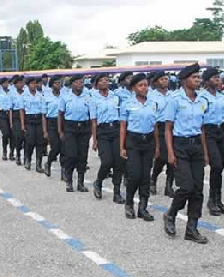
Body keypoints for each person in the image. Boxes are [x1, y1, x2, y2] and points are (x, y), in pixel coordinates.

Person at [162, 63, 210, 243]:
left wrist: (205, 152)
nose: (198, 80)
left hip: (196, 145)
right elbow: (168, 128)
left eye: (199, 77)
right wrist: (171, 153)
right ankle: (171, 214)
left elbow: (202, 128)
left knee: (198, 190)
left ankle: (192, 229)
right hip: (180, 146)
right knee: (186, 187)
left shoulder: (202, 100)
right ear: (184, 80)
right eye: (194, 77)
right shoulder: (174, 100)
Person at [120, 73, 159, 221]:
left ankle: (143, 208)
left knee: (145, 176)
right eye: (140, 85)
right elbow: (123, 127)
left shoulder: (153, 104)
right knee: (134, 175)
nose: (144, 88)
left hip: (148, 141)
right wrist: (122, 147)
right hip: (133, 141)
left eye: (145, 85)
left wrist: (157, 146)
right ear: (134, 88)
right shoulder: (127, 103)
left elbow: (155, 126)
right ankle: (129, 203)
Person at [90, 73, 126, 204]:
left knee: (119, 162)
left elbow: (121, 116)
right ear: (97, 84)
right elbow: (94, 121)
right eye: (101, 80)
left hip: (115, 130)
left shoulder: (116, 97)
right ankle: (98, 182)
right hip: (102, 131)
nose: (105, 82)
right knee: (106, 162)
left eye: (106, 80)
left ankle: (117, 193)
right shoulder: (93, 99)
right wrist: (95, 140)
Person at [199, 67, 224, 216]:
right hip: (208, 132)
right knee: (216, 165)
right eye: (214, 78)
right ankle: (211, 200)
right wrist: (204, 148)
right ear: (206, 81)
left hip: (221, 132)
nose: (218, 80)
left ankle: (218, 199)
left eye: (218, 77)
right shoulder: (202, 98)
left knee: (220, 167)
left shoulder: (223, 97)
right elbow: (201, 123)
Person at [58, 75, 91, 193]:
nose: (79, 85)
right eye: (77, 82)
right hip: (70, 128)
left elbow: (92, 115)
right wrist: (60, 131)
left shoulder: (88, 97)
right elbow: (60, 115)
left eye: (81, 82)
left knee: (82, 155)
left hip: (84, 128)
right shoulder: (65, 97)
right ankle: (69, 181)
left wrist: (91, 131)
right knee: (71, 155)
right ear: (72, 84)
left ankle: (81, 183)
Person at [149, 71, 176, 198]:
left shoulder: (173, 95)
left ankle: (169, 185)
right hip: (158, 128)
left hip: (172, 127)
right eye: (162, 79)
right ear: (155, 82)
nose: (165, 81)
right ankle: (153, 178)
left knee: (173, 158)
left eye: (166, 79)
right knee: (162, 157)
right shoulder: (151, 96)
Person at [20, 77, 45, 173]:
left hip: (38, 119)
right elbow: (22, 111)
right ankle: (28, 159)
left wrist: (44, 127)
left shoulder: (40, 95)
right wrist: (22, 124)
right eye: (32, 83)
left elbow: (43, 113)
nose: (34, 85)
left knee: (40, 142)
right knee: (30, 142)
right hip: (29, 119)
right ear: (28, 85)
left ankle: (39, 164)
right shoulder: (24, 96)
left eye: (35, 83)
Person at [43, 75, 65, 179]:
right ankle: (48, 163)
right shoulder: (46, 97)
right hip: (51, 123)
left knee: (64, 149)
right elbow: (44, 115)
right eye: (56, 83)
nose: (58, 85)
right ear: (51, 85)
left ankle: (64, 172)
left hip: (64, 123)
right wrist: (45, 131)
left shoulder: (64, 96)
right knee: (55, 148)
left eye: (59, 83)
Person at [0, 77, 14, 161]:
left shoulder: (12, 92)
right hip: (2, 115)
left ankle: (12, 152)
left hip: (11, 114)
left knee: (12, 135)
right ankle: (4, 151)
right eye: (4, 83)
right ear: (1, 84)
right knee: (5, 134)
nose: (6, 84)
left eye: (7, 83)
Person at [10, 76, 26, 166]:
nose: (21, 84)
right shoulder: (12, 94)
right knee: (18, 137)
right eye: (19, 83)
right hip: (16, 116)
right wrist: (11, 122)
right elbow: (11, 109)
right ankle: (18, 155)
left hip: (26, 115)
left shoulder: (26, 93)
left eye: (22, 83)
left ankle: (26, 157)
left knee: (26, 138)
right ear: (15, 84)